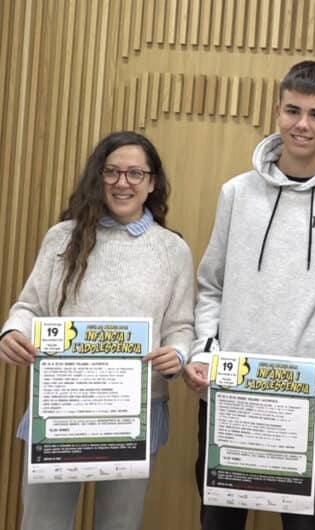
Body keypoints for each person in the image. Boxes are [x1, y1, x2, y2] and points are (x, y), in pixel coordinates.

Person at [183, 60, 315, 530]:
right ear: (277, 111)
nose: (302, 124)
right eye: (292, 111)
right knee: (219, 521)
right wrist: (205, 350)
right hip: (230, 394)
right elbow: (210, 285)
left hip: (309, 400)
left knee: (305, 525)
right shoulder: (235, 193)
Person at [0, 131, 195, 530]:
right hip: (62, 408)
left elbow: (181, 328)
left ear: (152, 182)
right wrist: (11, 334)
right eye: (112, 172)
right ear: (98, 176)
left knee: (119, 525)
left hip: (135, 412)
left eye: (135, 173)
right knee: (43, 522)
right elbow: (29, 307)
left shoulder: (173, 250)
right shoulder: (62, 237)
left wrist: (176, 355)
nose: (123, 183)